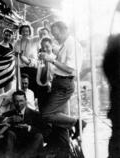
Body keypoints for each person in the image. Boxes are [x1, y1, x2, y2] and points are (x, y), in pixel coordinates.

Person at [39, 21, 86, 151]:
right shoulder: (64, 45)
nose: (55, 37)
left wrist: (51, 59)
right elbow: (62, 65)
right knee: (58, 116)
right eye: (53, 34)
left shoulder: (72, 45)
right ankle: (62, 146)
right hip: (59, 82)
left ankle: (77, 123)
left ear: (64, 30)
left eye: (56, 34)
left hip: (64, 84)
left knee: (46, 115)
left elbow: (70, 69)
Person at [4, 90, 51, 158]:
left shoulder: (35, 115)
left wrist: (29, 128)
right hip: (15, 149)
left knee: (39, 136)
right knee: (10, 133)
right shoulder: (8, 115)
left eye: (21, 101)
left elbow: (47, 131)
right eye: (16, 101)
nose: (19, 104)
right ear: (13, 102)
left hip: (31, 148)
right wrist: (8, 120)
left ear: (26, 101)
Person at [14, 24, 39, 95]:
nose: (25, 33)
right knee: (22, 89)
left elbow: (41, 37)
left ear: (29, 32)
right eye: (23, 31)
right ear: (20, 32)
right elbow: (15, 56)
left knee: (33, 89)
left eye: (27, 31)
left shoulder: (33, 40)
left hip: (31, 68)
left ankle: (33, 103)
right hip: (21, 69)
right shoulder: (17, 42)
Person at [0, 28, 15, 95]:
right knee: (0, 96)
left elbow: (12, 59)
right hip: (0, 75)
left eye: (9, 35)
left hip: (9, 75)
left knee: (8, 95)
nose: (7, 37)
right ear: (3, 35)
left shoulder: (11, 46)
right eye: (6, 35)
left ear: (11, 37)